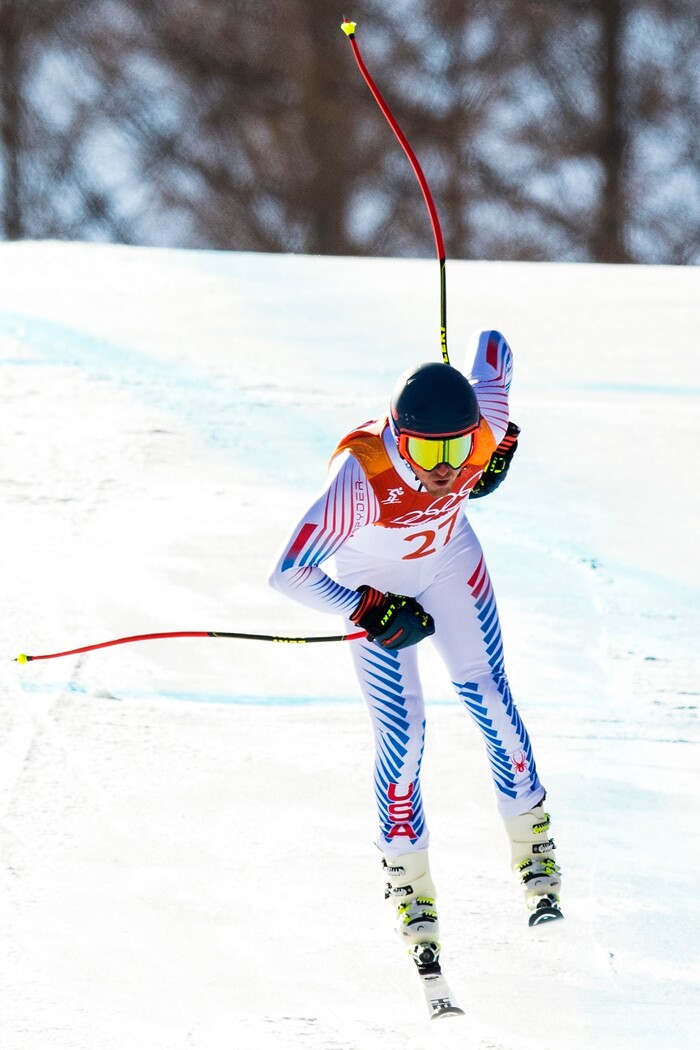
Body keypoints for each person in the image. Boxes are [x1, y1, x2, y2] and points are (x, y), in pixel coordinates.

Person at [268, 329, 562, 968]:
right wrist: (368, 609)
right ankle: (409, 884)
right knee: (405, 739)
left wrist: (499, 446)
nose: (445, 468)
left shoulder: (480, 429)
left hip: (451, 564)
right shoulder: (361, 478)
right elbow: (288, 572)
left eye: (459, 447)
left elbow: (496, 348)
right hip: (376, 586)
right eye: (429, 451)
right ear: (400, 439)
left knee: (490, 699)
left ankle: (533, 844)